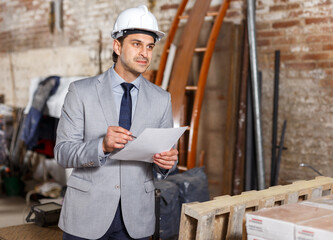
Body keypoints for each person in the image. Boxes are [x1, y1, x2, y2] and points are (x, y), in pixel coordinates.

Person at [54, 5, 178, 240]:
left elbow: (165, 161)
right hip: (86, 216)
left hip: (137, 218)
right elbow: (62, 152)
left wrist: (167, 162)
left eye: (150, 46)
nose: (145, 53)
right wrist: (101, 146)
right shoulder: (80, 92)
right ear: (117, 46)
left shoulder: (162, 99)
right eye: (137, 44)